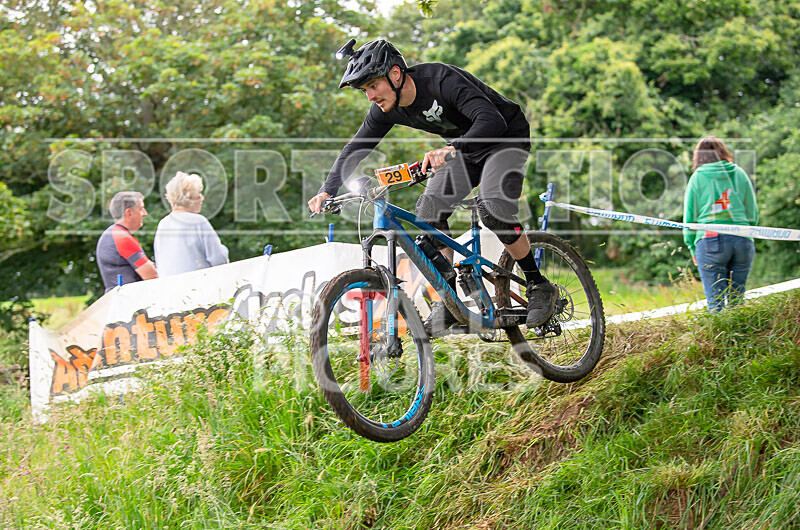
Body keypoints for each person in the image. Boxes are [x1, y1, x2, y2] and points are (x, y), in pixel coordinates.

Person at [307, 38, 557, 333]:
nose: (370, 96)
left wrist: (452, 148)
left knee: (492, 208)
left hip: (505, 138)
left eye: (373, 86)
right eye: (365, 90)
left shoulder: (441, 80)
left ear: (396, 74)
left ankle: (539, 284)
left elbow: (492, 120)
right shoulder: (387, 109)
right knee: (428, 210)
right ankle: (450, 302)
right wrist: (328, 189)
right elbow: (355, 148)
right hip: (465, 151)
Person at [683, 136, 759, 312]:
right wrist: (748, 232)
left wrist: (691, 246)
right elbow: (752, 212)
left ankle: (720, 338)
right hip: (742, 238)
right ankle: (740, 336)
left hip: (710, 240)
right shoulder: (739, 173)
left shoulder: (697, 178)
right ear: (723, 152)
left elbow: (689, 217)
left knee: (715, 302)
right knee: (737, 300)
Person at [154, 171, 228, 277]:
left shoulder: (163, 224)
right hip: (198, 285)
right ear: (190, 198)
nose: (202, 198)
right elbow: (219, 259)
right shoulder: (198, 222)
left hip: (170, 287)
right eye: (198, 194)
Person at [96, 191, 158, 292]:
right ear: (129, 213)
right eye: (141, 209)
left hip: (117, 298)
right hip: (128, 301)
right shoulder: (122, 238)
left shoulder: (112, 233)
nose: (145, 213)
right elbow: (152, 276)